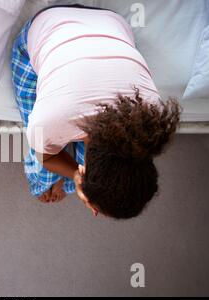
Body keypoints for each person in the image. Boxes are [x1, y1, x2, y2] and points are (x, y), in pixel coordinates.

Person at [11, 4, 180, 219]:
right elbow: (47, 157)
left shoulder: (152, 115)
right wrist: (76, 175)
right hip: (45, 27)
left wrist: (77, 173)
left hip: (112, 25)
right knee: (39, 146)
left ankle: (69, 175)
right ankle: (45, 183)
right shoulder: (50, 122)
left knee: (60, 147)